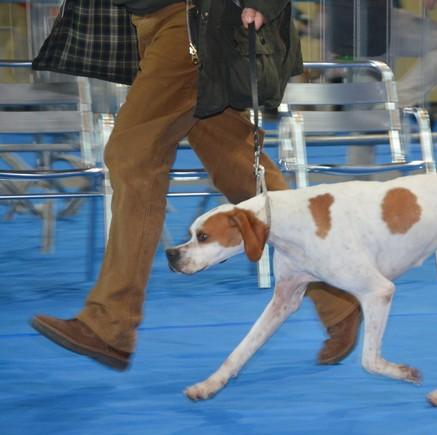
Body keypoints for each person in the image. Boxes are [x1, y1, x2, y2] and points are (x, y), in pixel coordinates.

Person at [29, 0, 362, 371]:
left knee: (133, 155)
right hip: (164, 25)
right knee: (239, 169)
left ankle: (109, 324)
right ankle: (338, 298)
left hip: (188, 23)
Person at [326, 0, 437, 166]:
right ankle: (395, 102)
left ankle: (359, 174)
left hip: (344, 31)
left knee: (365, 115)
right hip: (373, 23)